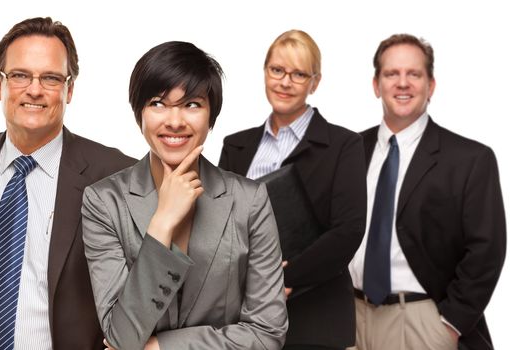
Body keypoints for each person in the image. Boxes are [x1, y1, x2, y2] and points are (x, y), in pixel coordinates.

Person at [0, 17, 135, 350]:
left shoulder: (115, 173)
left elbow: (141, 283)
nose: (34, 89)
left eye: (50, 78)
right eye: (20, 75)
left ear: (70, 89)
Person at [81, 41, 288, 350]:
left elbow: (267, 333)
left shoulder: (249, 201)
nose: (174, 121)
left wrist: (160, 347)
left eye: (191, 104)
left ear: (211, 116)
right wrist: (162, 221)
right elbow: (121, 337)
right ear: (139, 113)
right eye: (158, 103)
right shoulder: (104, 202)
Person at [348, 33, 506, 350]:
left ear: (430, 86)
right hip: (350, 319)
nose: (402, 83)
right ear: (376, 85)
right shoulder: (349, 151)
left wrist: (450, 325)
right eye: (392, 74)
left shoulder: (469, 159)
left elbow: (486, 250)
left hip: (422, 322)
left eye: (414, 74)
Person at [219, 30, 367, 350]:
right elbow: (221, 226)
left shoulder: (344, 145)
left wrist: (284, 278)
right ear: (264, 73)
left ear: (315, 82)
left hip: (318, 320)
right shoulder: (236, 146)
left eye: (299, 74)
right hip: (245, 320)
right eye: (277, 70)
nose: (285, 82)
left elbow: (348, 230)